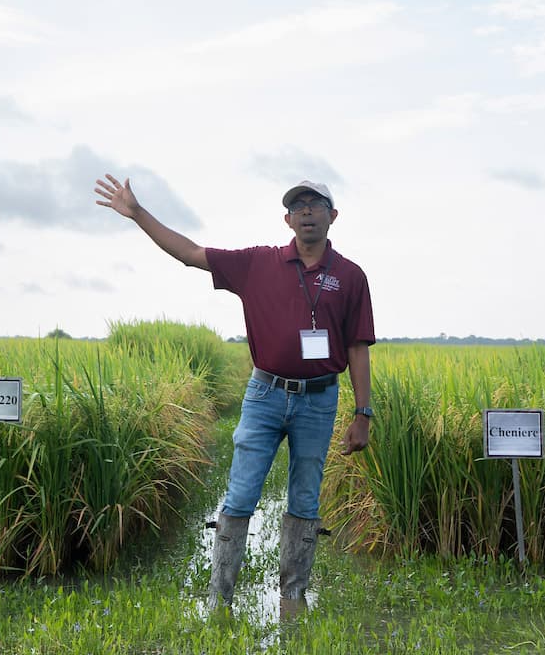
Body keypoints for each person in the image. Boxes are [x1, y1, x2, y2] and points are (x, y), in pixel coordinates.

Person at [94, 173, 375, 613]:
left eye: (315, 204)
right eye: (297, 206)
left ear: (332, 216)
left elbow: (358, 346)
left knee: (305, 498)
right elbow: (190, 254)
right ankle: (219, 598)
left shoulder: (351, 276)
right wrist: (137, 213)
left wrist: (363, 413)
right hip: (265, 396)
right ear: (287, 219)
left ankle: (293, 598)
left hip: (319, 401)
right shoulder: (257, 263)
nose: (306, 212)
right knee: (241, 494)